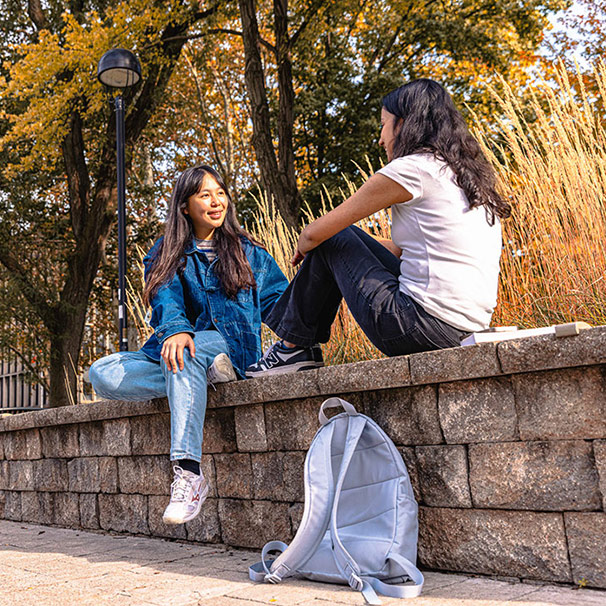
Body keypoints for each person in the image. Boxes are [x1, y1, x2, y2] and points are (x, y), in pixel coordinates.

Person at [246, 78, 511, 378]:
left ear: (403, 124)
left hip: (418, 327)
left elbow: (314, 232)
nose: (381, 139)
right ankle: (293, 348)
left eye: (383, 125)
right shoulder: (464, 178)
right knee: (342, 238)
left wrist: (311, 244)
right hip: (462, 331)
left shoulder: (413, 168)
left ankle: (291, 348)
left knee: (335, 234)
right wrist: (342, 251)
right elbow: (400, 251)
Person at [89, 165, 288, 524]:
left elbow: (281, 303)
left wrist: (311, 310)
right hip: (177, 348)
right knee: (102, 373)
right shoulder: (167, 251)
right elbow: (165, 300)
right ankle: (203, 377)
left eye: (220, 193)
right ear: (185, 206)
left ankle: (188, 472)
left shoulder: (249, 252)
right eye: (205, 195)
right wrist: (176, 329)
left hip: (227, 346)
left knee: (187, 354)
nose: (216, 201)